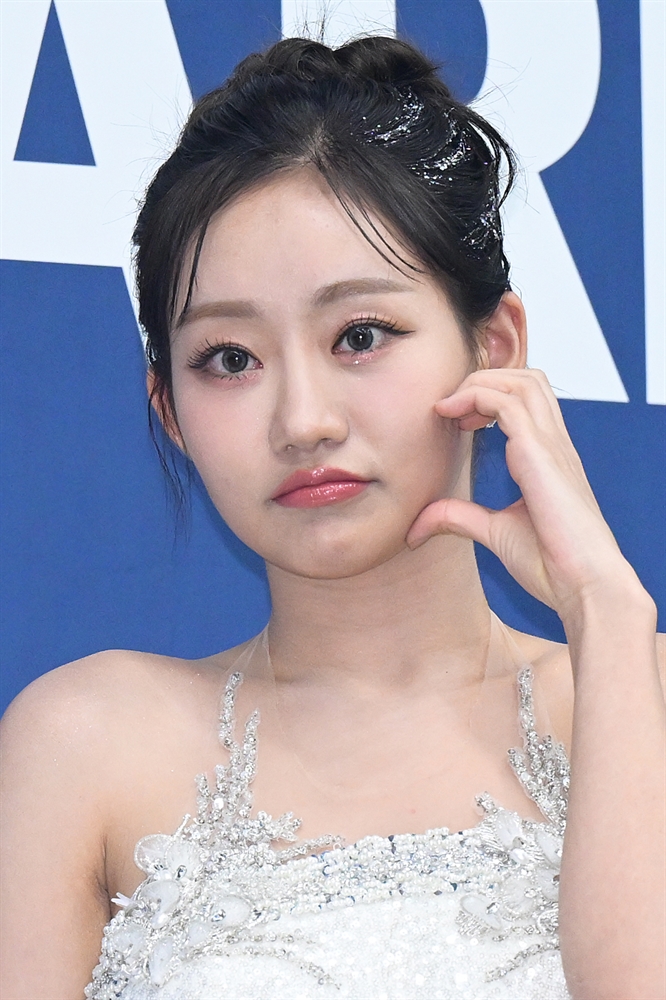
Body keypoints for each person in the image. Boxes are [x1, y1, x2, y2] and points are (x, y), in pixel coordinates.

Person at [0, 35, 664, 1000]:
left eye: (359, 336)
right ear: (170, 411)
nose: (303, 420)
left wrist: (606, 612)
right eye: (230, 359)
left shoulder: (644, 692)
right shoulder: (82, 743)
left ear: (493, 348)